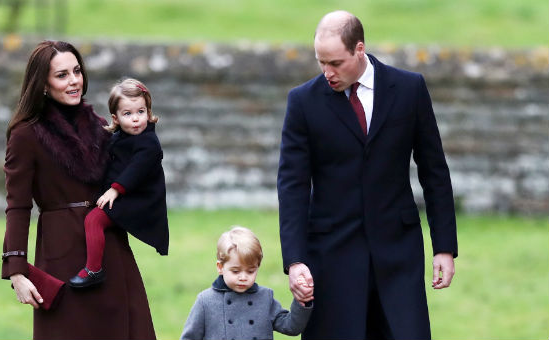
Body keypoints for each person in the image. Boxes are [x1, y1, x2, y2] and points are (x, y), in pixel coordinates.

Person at [277, 10, 458, 339]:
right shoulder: (302, 102)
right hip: (331, 257)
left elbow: (434, 172)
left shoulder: (409, 89)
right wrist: (295, 260)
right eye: (321, 62)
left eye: (335, 63)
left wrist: (444, 246)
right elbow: (292, 186)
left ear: (359, 49)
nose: (327, 72)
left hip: (398, 254)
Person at [1, 40, 156, 339]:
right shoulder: (26, 134)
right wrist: (17, 270)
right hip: (61, 255)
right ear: (43, 83)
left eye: (76, 71)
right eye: (61, 75)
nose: (73, 80)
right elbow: (17, 205)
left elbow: (138, 170)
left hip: (109, 248)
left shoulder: (102, 126)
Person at [68, 78, 169, 288]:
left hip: (139, 200)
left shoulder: (149, 143)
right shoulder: (118, 137)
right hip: (124, 196)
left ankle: (94, 270)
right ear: (115, 117)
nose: (135, 119)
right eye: (128, 114)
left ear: (148, 112)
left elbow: (136, 169)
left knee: (94, 220)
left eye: (141, 112)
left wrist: (114, 190)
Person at [180, 226, 313, 340]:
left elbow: (291, 327)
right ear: (220, 267)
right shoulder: (205, 301)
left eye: (250, 271)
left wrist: (301, 301)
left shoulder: (265, 298)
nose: (243, 277)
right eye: (236, 271)